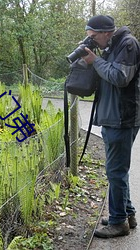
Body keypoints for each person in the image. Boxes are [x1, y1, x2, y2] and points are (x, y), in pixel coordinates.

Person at [82, 15, 140, 238]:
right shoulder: (111, 46)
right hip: (112, 117)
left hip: (122, 118)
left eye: (94, 37)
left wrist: (95, 61)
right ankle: (127, 214)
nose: (93, 41)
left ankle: (118, 223)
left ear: (106, 32)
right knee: (117, 171)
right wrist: (92, 60)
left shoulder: (128, 44)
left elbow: (119, 77)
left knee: (115, 171)